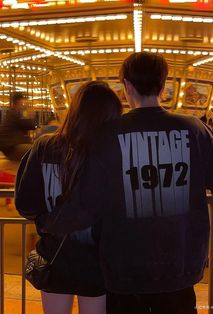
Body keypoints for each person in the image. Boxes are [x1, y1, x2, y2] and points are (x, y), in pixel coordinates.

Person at [43, 52, 213, 314]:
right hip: (178, 267)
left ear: (127, 86)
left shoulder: (106, 135)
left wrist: (49, 223)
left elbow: (85, 203)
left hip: (123, 269)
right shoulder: (194, 129)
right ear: (163, 85)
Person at [15, 81, 122, 314]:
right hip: (98, 261)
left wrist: (49, 222)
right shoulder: (110, 155)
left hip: (55, 254)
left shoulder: (44, 146)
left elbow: (25, 204)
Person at [0, 92, 37, 161]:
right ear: (18, 101)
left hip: (9, 148)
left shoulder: (12, 112)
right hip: (13, 148)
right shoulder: (16, 113)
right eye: (23, 101)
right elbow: (31, 125)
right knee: (37, 150)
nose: (24, 104)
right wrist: (31, 115)